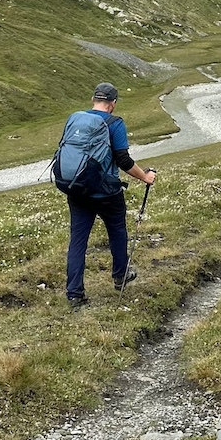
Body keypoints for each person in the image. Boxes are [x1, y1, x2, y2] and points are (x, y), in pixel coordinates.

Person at [56, 82, 157, 306]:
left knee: (78, 241)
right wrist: (144, 177)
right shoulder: (114, 123)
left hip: (77, 189)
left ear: (94, 100)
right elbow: (123, 160)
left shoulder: (75, 119)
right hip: (107, 192)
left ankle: (74, 294)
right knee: (117, 231)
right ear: (113, 103)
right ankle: (120, 275)